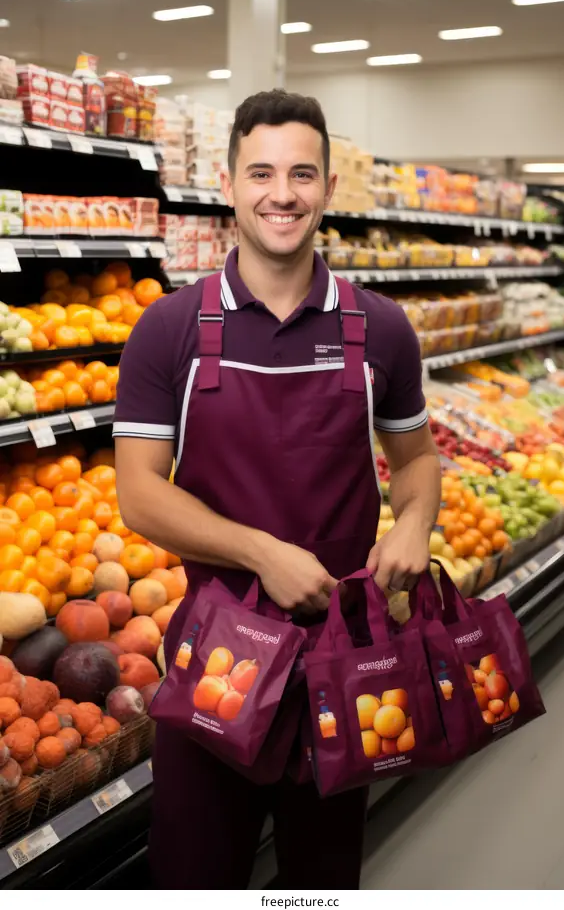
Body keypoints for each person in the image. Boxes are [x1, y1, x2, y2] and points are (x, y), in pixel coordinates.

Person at [113, 89, 440, 889]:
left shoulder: (381, 328)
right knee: (195, 877)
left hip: (342, 662)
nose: (282, 193)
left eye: (302, 174)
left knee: (320, 882)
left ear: (328, 188)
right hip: (211, 668)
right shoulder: (171, 329)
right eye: (261, 172)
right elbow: (139, 496)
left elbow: (419, 459)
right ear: (229, 184)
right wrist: (263, 554)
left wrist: (413, 525)